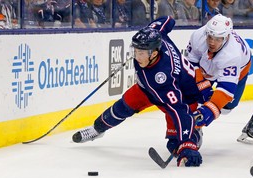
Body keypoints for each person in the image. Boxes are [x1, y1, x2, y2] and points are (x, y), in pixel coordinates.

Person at [72, 16, 203, 167]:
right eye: (135, 50)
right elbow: (168, 20)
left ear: (154, 54)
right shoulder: (155, 35)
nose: (136, 56)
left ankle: (195, 135)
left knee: (175, 143)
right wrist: (149, 31)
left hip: (182, 96)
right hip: (148, 89)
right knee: (121, 108)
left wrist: (187, 144)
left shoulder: (163, 77)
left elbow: (179, 110)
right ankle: (97, 129)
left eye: (141, 53)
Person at [187, 14, 252, 132]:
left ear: (226, 37)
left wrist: (208, 111)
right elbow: (191, 63)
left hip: (241, 67)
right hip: (207, 66)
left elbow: (226, 90)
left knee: (227, 107)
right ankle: (195, 132)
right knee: (194, 94)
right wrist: (203, 86)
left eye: (217, 39)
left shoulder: (232, 55)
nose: (212, 42)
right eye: (210, 37)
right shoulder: (198, 36)